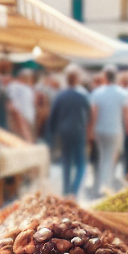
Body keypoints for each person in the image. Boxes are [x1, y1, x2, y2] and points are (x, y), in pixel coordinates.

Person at [46, 69, 92, 197]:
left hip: (64, 131)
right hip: (78, 131)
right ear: (77, 79)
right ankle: (74, 190)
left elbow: (52, 116)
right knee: (81, 163)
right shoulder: (83, 96)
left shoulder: (60, 96)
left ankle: (66, 190)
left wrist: (51, 134)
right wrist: (89, 133)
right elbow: (89, 116)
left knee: (66, 161)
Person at [88, 69, 128, 198]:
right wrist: (127, 127)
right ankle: (106, 186)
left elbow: (94, 113)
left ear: (104, 78)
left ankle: (101, 185)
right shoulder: (122, 93)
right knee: (110, 159)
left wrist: (91, 129)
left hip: (100, 129)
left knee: (102, 158)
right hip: (114, 129)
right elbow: (125, 113)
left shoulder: (97, 93)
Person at [6, 69, 37, 141]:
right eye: (30, 78)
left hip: (24, 118)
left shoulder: (25, 88)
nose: (31, 80)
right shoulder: (16, 87)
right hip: (21, 119)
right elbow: (11, 105)